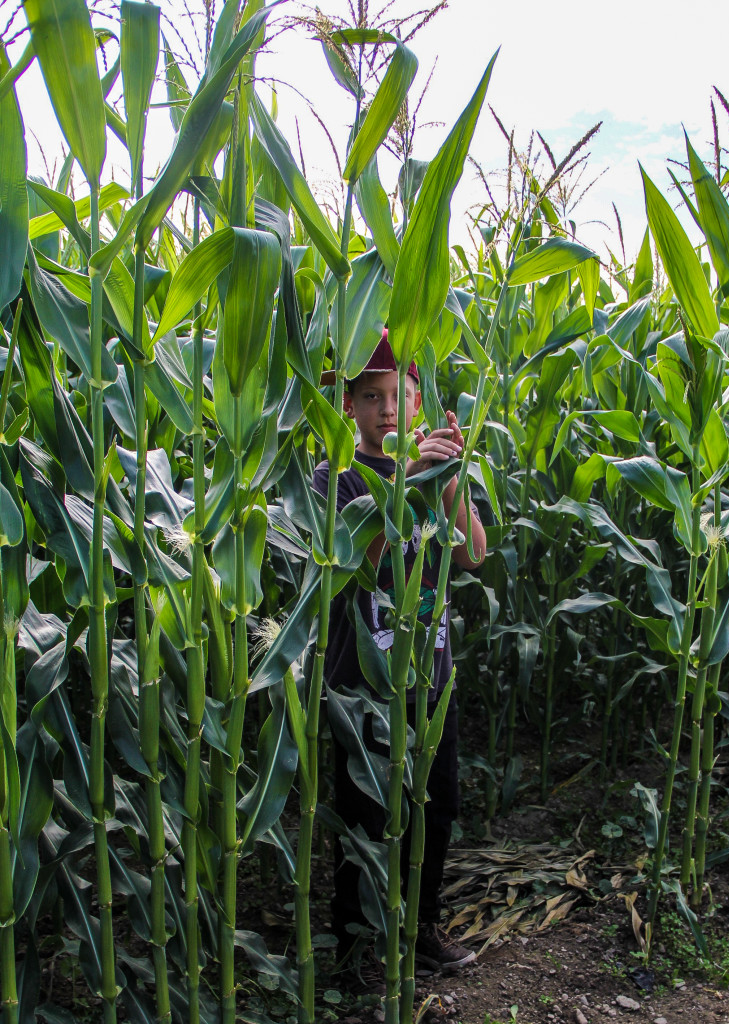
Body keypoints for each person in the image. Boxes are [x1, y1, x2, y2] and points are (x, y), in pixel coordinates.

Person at [312, 331, 487, 991]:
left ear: (419, 401)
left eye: (399, 395)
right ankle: (356, 948)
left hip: (429, 678)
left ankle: (421, 929)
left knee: (435, 809)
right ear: (350, 407)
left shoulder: (437, 471)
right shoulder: (337, 476)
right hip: (361, 690)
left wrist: (450, 475)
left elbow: (472, 553)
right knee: (362, 817)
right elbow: (357, 562)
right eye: (370, 396)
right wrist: (408, 484)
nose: (388, 410)